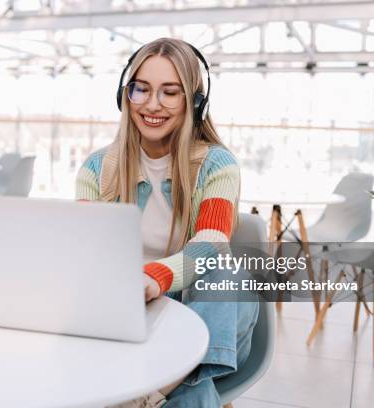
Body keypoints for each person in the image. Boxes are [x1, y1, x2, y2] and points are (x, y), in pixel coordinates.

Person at [75, 37, 259, 407]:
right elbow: (86, 251)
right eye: (141, 89)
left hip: (198, 311)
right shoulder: (97, 169)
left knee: (228, 272)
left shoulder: (218, 165)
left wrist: (155, 277)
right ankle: (171, 391)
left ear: (194, 102)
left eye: (169, 92)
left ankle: (151, 392)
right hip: (130, 309)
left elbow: (211, 244)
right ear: (125, 96)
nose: (152, 105)